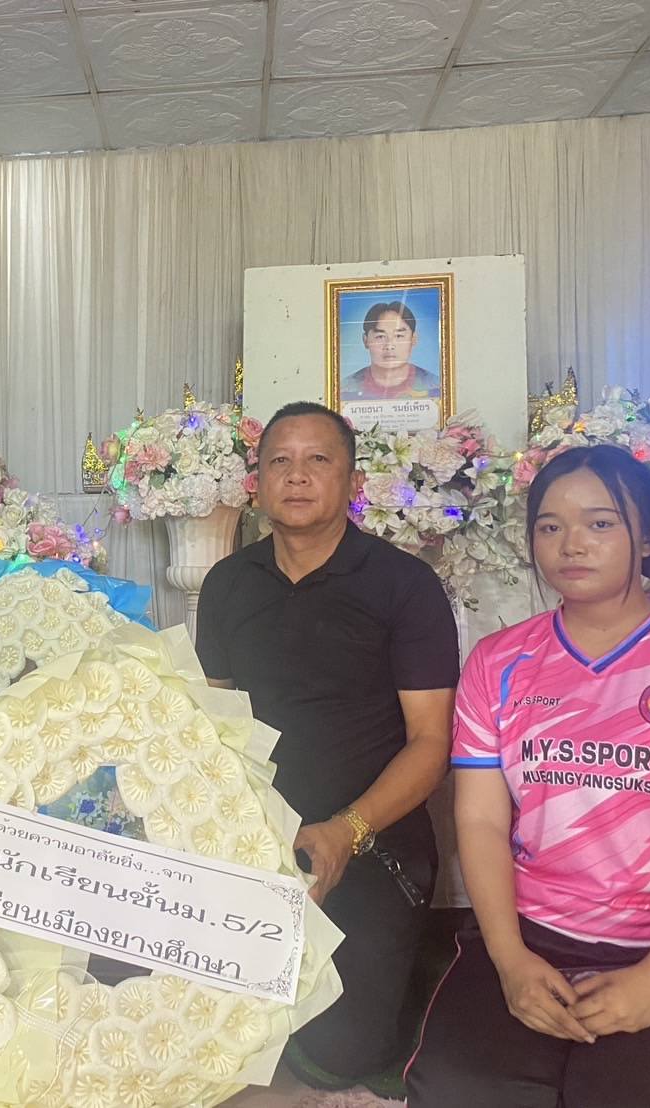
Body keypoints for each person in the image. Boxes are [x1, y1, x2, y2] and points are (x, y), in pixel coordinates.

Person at [406, 445, 650, 1108]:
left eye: (599, 523)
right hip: (531, 932)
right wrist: (510, 961)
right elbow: (479, 819)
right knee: (459, 1091)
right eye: (549, 526)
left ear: (645, 538)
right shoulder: (498, 663)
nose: (571, 544)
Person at [195, 401, 459, 1086]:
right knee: (208, 1026)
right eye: (279, 461)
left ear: (352, 482)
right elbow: (211, 724)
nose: (297, 475)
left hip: (370, 839)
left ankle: (407, 979)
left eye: (319, 460)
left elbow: (431, 743)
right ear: (256, 483)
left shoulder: (403, 585)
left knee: (337, 1057)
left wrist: (347, 832)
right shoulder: (227, 584)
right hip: (256, 836)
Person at [343, 301, 440, 401]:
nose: (389, 346)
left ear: (413, 339)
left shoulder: (437, 388)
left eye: (399, 336)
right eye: (380, 336)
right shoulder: (343, 391)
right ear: (365, 340)